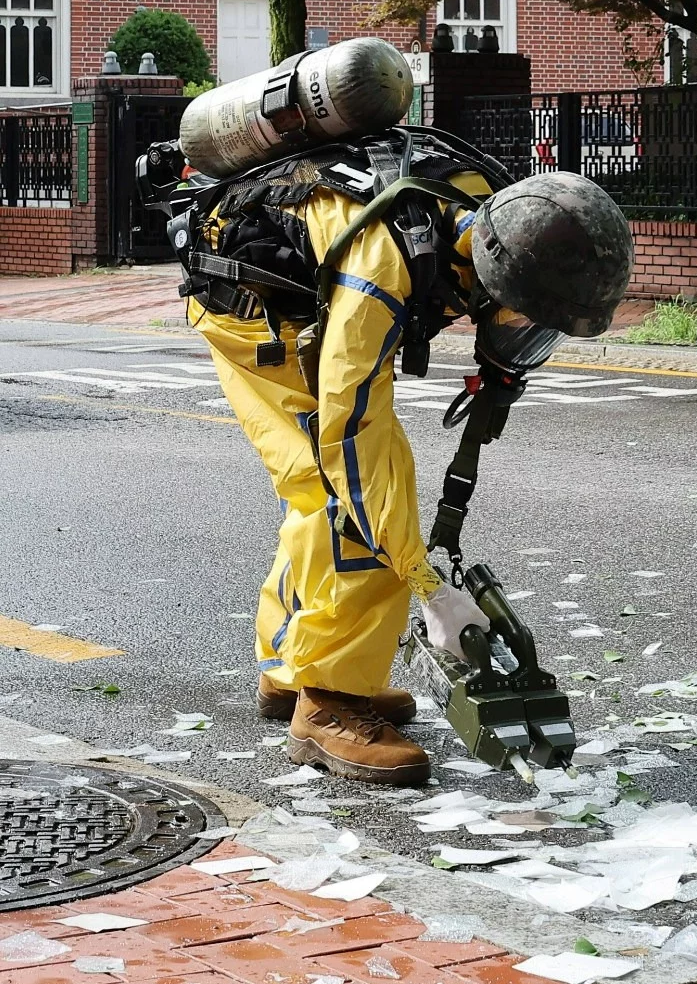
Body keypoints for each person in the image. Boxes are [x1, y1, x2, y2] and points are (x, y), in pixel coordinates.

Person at [155, 124, 632, 784]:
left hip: (296, 293)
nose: (521, 335)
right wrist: (429, 588)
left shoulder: (498, 215)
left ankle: (291, 669)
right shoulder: (383, 265)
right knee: (359, 499)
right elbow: (352, 435)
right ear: (494, 278)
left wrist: (500, 368)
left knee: (322, 492)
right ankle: (327, 703)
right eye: (523, 318)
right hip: (256, 315)